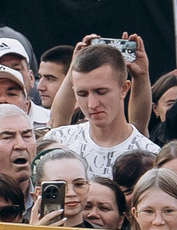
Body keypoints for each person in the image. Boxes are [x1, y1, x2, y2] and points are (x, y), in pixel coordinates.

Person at [44, 42, 157, 178]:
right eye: (82, 94)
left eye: (101, 92)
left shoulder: (151, 155)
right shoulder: (59, 141)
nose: (92, 104)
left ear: (124, 89)